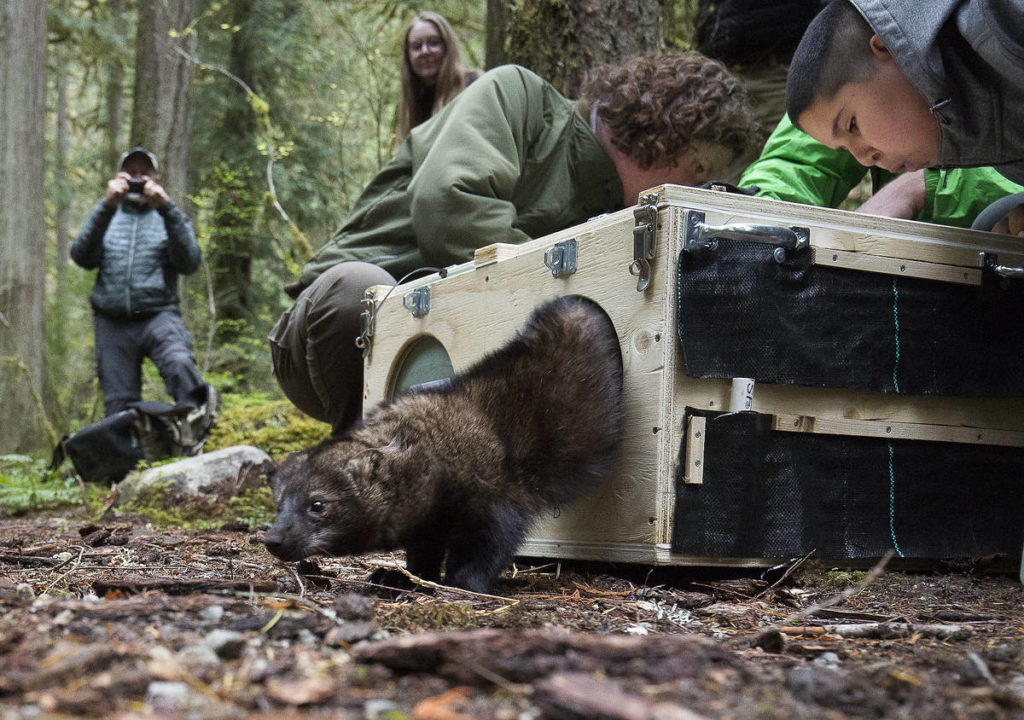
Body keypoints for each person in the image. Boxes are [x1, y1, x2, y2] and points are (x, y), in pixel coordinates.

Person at [271, 53, 761, 433]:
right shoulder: (520, 97)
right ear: (664, 133)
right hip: (332, 338)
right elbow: (447, 205)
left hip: (465, 363)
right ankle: (353, 468)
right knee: (362, 290)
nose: (697, 191)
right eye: (699, 170)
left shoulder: (630, 227)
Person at [783, 0, 1024, 235]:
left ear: (887, 47)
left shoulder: (999, 21)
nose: (865, 160)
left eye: (852, 125)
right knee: (991, 224)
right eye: (845, 149)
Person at [72, 147, 218, 427]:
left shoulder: (167, 217)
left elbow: (189, 262)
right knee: (118, 405)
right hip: (112, 321)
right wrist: (106, 205)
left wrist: (166, 207)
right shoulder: (107, 215)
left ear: (156, 179)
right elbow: (81, 256)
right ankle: (129, 463)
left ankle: (197, 433)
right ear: (118, 178)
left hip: (159, 315)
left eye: (144, 174)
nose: (137, 179)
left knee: (179, 364)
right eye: (131, 173)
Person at [396, 11, 479, 144]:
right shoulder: (415, 100)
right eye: (417, 47)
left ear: (447, 46)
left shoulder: (473, 85)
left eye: (433, 43)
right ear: (408, 55)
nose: (425, 51)